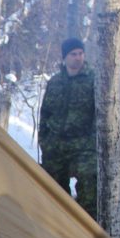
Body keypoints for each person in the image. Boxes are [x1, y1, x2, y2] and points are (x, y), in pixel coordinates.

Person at [38, 37, 97, 218]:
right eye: (73, 54)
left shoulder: (93, 80)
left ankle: (87, 231)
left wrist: (93, 142)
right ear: (65, 57)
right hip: (56, 145)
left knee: (89, 189)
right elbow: (45, 113)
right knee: (53, 192)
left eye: (80, 54)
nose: (78, 58)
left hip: (84, 146)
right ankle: (60, 229)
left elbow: (101, 114)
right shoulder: (55, 82)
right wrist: (44, 141)